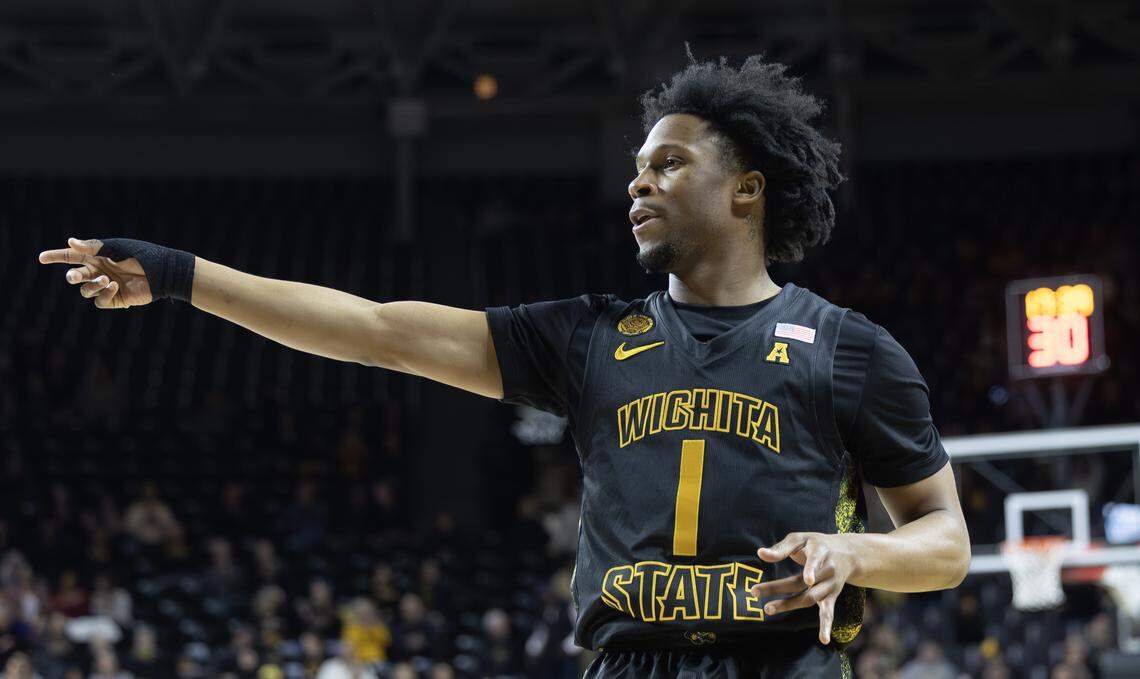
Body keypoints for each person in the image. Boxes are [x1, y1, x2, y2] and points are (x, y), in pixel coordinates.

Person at [38, 48, 971, 677]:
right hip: (625, 662)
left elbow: (947, 541)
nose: (638, 181)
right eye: (635, 167)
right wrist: (176, 276)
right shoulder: (590, 338)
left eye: (670, 163)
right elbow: (373, 327)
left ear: (747, 190)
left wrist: (857, 550)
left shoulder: (850, 350)